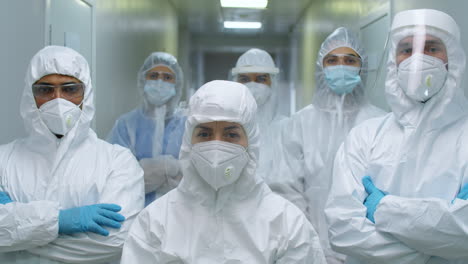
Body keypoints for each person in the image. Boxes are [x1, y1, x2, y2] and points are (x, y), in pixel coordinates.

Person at [120, 80, 327, 263]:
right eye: (204, 133)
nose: (216, 147)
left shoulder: (286, 224)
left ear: (251, 142)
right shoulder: (155, 223)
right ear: (188, 142)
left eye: (231, 134)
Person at [325, 9, 468, 264]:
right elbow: (343, 230)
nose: (418, 59)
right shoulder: (364, 137)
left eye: (432, 48)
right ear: (394, 60)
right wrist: (438, 249)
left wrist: (382, 209)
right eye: (406, 50)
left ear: (453, 58)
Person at [0, 46, 144, 263]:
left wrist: (18, 233)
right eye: (45, 89)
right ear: (30, 96)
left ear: (86, 94)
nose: (57, 100)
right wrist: (58, 221)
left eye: (69, 89)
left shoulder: (117, 162)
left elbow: (115, 241)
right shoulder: (4, 160)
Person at [269, 27, 385, 263]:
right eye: (332, 60)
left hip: (368, 250)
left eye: (350, 60)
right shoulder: (299, 124)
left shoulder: (381, 123)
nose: (341, 66)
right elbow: (287, 190)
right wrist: (309, 242)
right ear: (321, 69)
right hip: (310, 247)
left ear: (362, 68)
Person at [108, 52, 186, 205]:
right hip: (135, 209)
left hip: (179, 210)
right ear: (143, 80)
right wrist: (169, 168)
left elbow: (191, 178)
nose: (160, 82)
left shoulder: (187, 124)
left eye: (167, 77)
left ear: (177, 84)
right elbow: (118, 175)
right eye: (154, 75)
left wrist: (144, 170)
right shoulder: (126, 125)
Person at [231, 48, 287, 180]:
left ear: (273, 82)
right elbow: (224, 173)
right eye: (245, 79)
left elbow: (290, 178)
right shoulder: (225, 128)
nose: (253, 85)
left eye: (261, 79)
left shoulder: (287, 129)